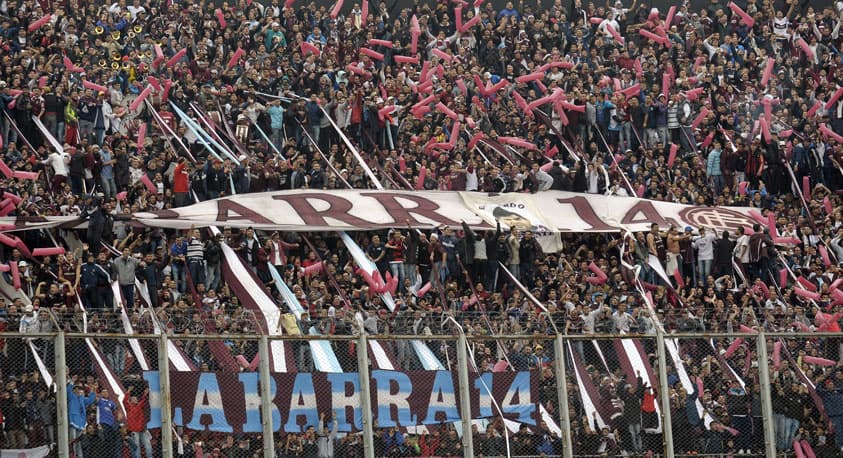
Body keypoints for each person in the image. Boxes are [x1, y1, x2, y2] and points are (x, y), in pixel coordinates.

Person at [124, 385, 153, 458]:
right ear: (130, 401)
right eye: (133, 399)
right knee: (136, 447)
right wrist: (128, 392)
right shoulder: (128, 407)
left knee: (148, 445)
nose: (135, 399)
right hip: (134, 430)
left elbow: (144, 399)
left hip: (142, 429)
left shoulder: (140, 405)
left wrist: (145, 393)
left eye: (136, 398)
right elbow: (124, 401)